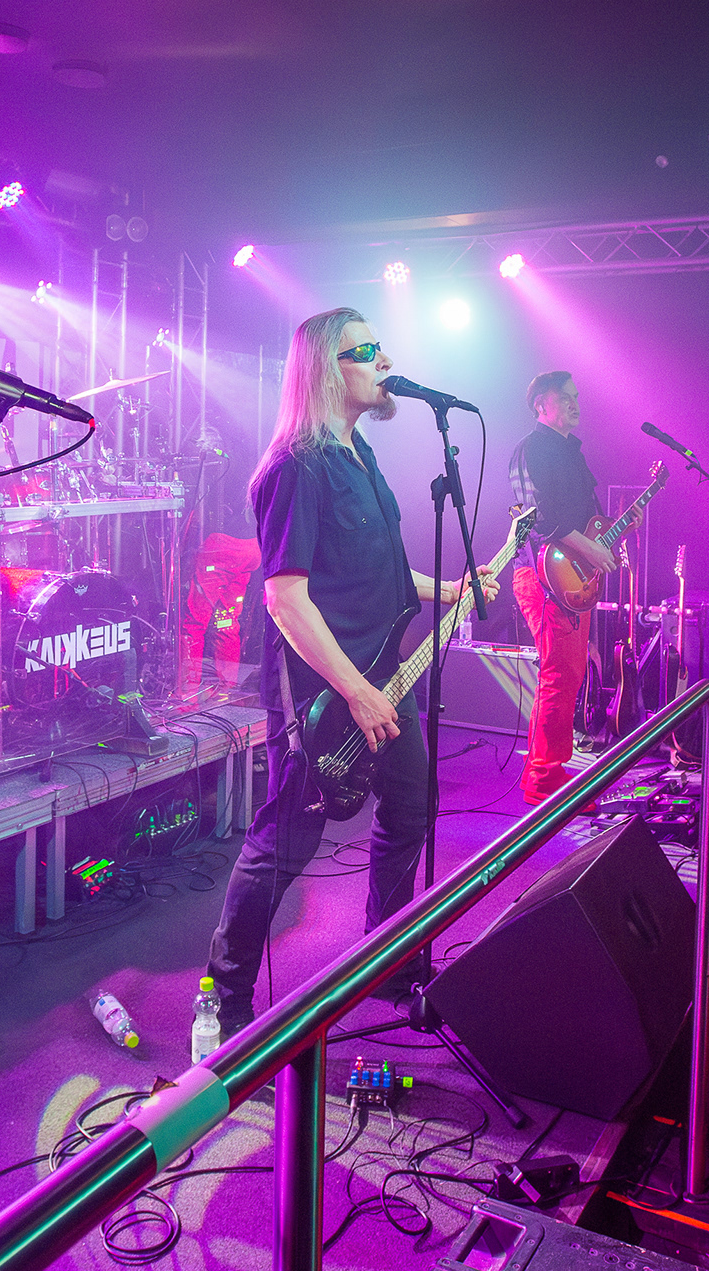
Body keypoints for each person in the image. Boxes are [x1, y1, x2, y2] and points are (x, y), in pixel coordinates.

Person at [206, 308, 497, 1037]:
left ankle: (384, 961)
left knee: (411, 807)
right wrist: (355, 691)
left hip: (382, 673)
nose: (385, 360)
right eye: (366, 350)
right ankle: (224, 997)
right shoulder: (295, 466)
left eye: (380, 347)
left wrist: (451, 588)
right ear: (324, 370)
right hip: (322, 690)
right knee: (288, 839)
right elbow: (285, 598)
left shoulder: (360, 455)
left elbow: (384, 568)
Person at [507, 371, 617, 805]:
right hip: (542, 577)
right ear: (541, 405)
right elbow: (540, 518)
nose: (575, 403)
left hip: (569, 576)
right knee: (559, 674)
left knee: (568, 675)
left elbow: (585, 522)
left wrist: (617, 529)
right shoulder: (531, 450)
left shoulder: (573, 452)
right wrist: (590, 548)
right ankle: (543, 779)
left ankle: (549, 770)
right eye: (565, 397)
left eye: (576, 396)